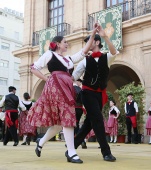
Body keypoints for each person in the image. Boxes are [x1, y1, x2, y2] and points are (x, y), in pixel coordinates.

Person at [27, 24, 99, 164]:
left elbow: (83, 51)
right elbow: (34, 68)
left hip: (66, 87)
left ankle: (40, 142)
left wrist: (93, 34)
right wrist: (46, 78)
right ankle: (71, 152)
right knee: (67, 116)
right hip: (56, 87)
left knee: (60, 124)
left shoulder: (68, 60)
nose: (67, 44)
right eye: (65, 42)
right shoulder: (49, 54)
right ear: (58, 44)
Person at [72, 24, 118, 162]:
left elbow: (114, 52)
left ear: (97, 42)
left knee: (89, 123)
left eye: (90, 41)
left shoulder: (107, 57)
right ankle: (106, 152)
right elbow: (73, 76)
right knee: (97, 120)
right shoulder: (85, 61)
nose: (87, 44)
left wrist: (105, 36)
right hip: (87, 93)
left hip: (100, 95)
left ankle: (72, 146)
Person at [73, 79, 87, 149]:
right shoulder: (81, 90)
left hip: (73, 108)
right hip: (80, 109)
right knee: (76, 125)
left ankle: (81, 141)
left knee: (74, 126)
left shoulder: (72, 89)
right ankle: (76, 141)